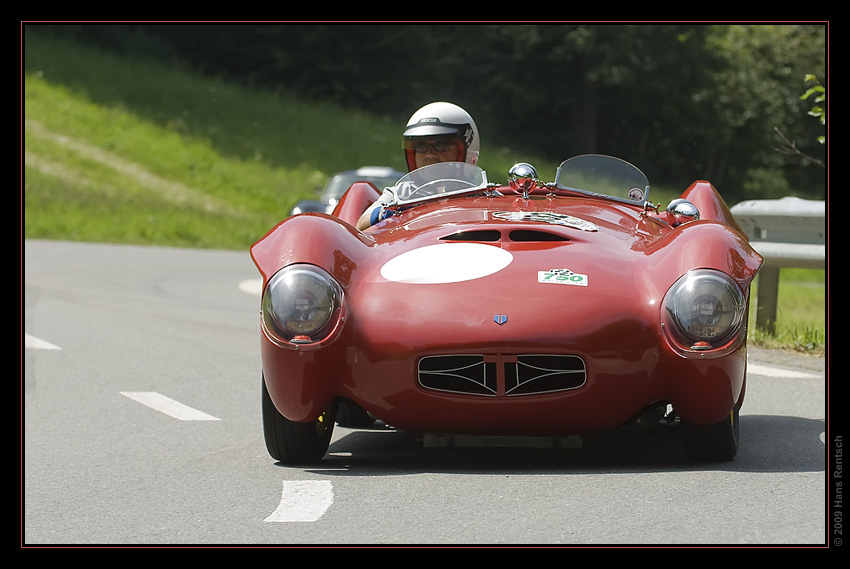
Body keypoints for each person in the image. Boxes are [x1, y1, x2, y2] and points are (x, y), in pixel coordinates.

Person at [356, 102, 480, 230]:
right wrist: (390, 212)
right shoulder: (401, 193)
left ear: (466, 151)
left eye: (442, 146)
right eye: (421, 147)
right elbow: (360, 226)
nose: (430, 156)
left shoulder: (484, 194)